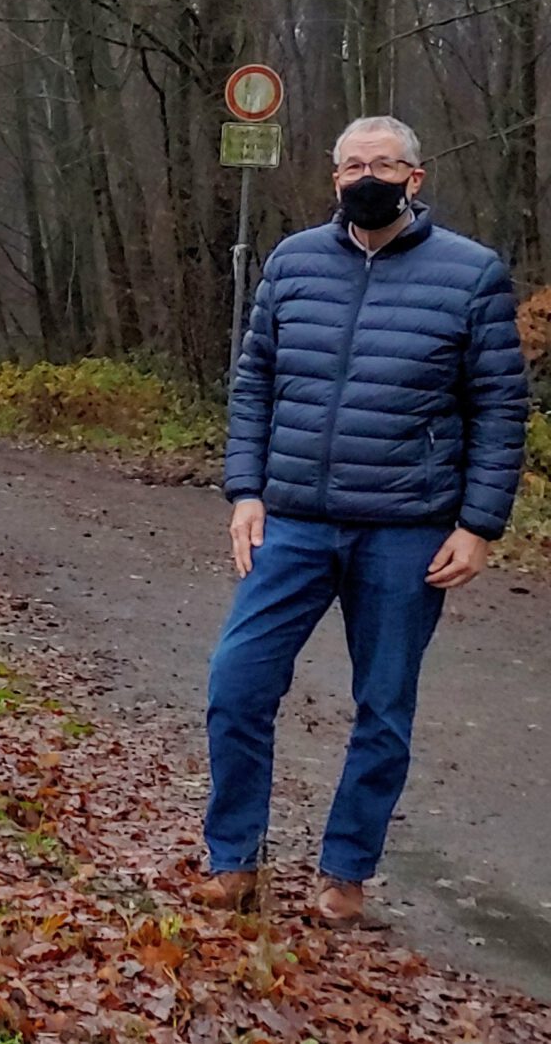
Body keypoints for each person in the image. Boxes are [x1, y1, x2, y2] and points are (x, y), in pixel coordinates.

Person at [192, 116, 527, 926]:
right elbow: (255, 384)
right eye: (351, 165)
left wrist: (479, 524)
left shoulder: (471, 273)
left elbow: (500, 406)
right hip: (295, 520)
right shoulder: (293, 262)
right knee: (236, 685)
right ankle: (234, 861)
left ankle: (345, 876)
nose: (365, 177)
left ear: (416, 176)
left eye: (382, 164)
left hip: (408, 530)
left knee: (382, 705)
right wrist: (246, 491)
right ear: (332, 178)